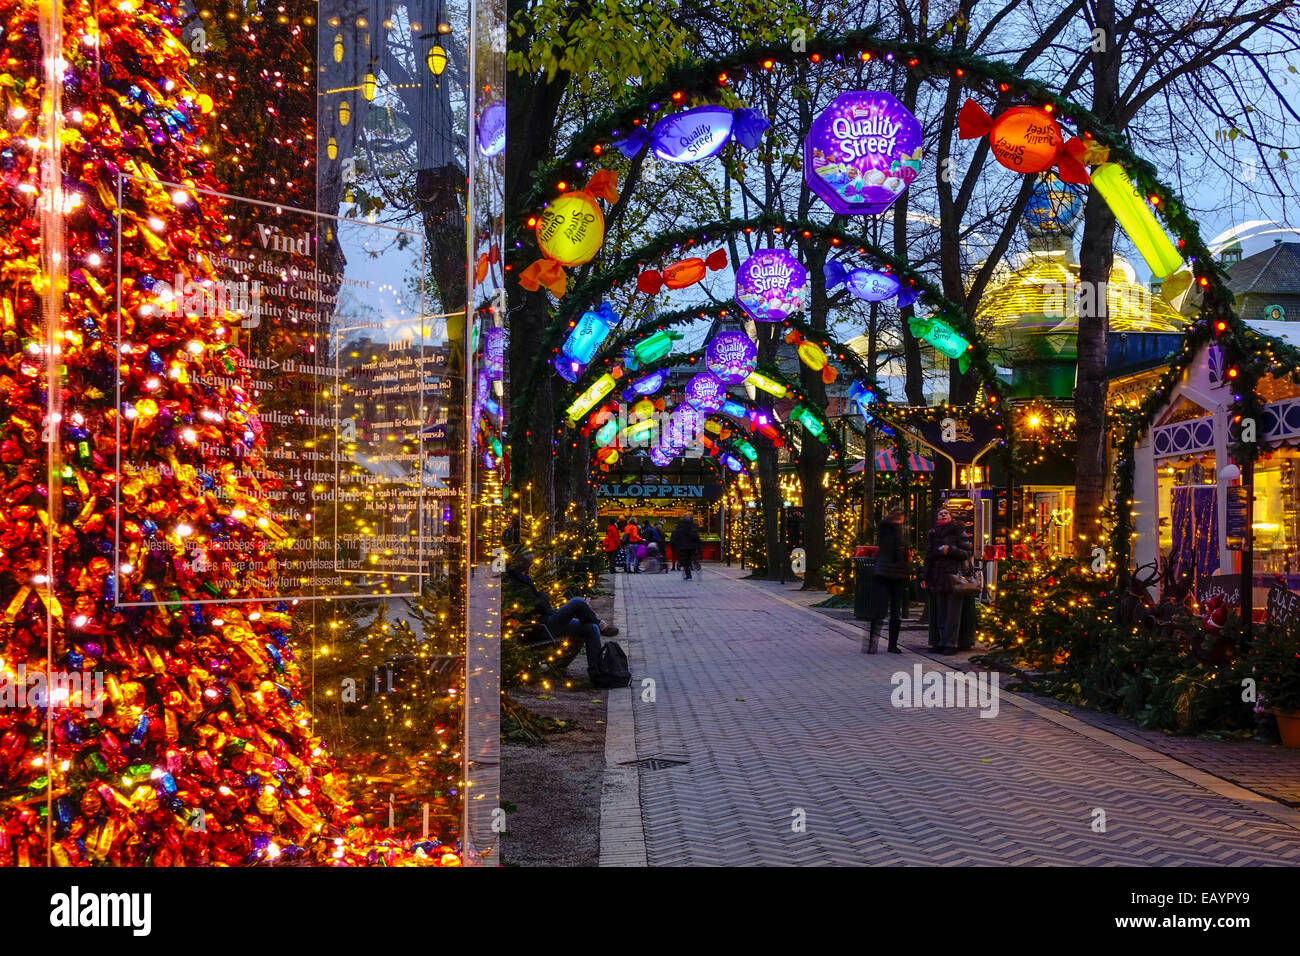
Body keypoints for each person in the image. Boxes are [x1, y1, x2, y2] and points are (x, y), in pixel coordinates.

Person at [503, 545, 618, 685]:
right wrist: (543, 596)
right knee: (576, 603)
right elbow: (541, 605)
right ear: (523, 564)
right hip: (538, 627)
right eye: (529, 564)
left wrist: (544, 600)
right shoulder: (514, 583)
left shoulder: (521, 579)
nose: (531, 567)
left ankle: (597, 675)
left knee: (590, 628)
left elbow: (541, 605)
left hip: (545, 621)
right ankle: (602, 625)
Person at [922, 508, 971, 653]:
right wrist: (924, 576)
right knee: (940, 611)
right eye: (940, 513)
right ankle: (940, 642)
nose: (943, 515)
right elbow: (928, 556)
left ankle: (951, 644)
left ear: (950, 516)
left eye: (945, 513)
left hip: (953, 575)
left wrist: (950, 550)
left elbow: (966, 553)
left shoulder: (957, 531)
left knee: (952, 612)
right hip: (937, 576)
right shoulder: (933, 534)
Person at [865, 506, 908, 655]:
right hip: (891, 574)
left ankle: (873, 644)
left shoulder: (887, 529)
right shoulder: (893, 530)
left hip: (885, 573)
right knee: (892, 611)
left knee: (882, 611)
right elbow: (898, 553)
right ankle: (890, 645)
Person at [670, 513, 701, 580]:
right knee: (691, 558)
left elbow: (676, 535)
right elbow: (696, 535)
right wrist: (697, 544)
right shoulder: (693, 524)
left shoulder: (680, 525)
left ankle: (688, 575)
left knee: (686, 560)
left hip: (683, 546)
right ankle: (695, 571)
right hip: (692, 546)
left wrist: (675, 543)